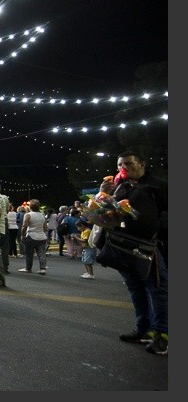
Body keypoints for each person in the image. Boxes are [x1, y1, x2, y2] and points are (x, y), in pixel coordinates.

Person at [101, 151, 167, 355]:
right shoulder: (121, 187)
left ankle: (162, 334)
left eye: (128, 163)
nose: (124, 168)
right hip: (123, 245)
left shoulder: (158, 185)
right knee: (135, 289)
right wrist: (104, 195)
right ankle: (143, 329)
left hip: (149, 246)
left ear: (142, 164)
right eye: (120, 164)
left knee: (157, 289)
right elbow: (106, 212)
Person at [18, 199, 48, 274]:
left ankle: (28, 268)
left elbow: (24, 226)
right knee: (41, 253)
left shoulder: (28, 215)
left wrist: (22, 235)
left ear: (30, 207)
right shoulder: (42, 215)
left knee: (29, 253)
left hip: (31, 235)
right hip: (42, 236)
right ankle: (42, 268)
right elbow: (45, 227)